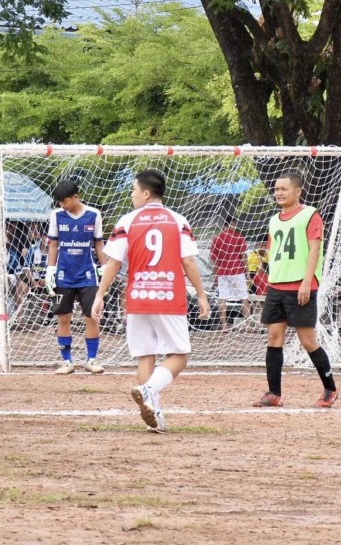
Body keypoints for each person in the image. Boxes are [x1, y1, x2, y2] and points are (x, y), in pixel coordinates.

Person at [93, 169, 210, 433]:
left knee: (145, 354)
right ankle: (149, 390)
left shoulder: (127, 221)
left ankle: (154, 415)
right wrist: (201, 295)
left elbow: (113, 263)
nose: (132, 195)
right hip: (168, 295)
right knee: (179, 356)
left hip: (137, 298)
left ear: (146, 193)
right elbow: (189, 261)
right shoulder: (178, 220)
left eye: (134, 190)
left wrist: (100, 294)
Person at [255, 169, 338, 408]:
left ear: (298, 191)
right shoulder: (273, 220)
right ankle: (274, 393)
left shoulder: (310, 214)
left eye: (284, 189)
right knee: (273, 337)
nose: (279, 193)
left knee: (308, 340)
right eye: (276, 189)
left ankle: (330, 389)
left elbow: (314, 250)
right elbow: (273, 251)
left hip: (301, 285)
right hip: (276, 286)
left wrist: (306, 281)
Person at [46, 178, 106, 375]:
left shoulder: (93, 215)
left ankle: (91, 359)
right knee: (63, 317)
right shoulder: (56, 216)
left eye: (65, 201)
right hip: (62, 276)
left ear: (75, 197)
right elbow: (53, 244)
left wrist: (104, 267)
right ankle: (66, 361)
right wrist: (50, 270)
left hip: (88, 275)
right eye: (60, 202)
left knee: (92, 316)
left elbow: (98, 244)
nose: (62, 205)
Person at [210, 214, 250, 330]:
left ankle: (223, 324)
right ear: (233, 223)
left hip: (223, 272)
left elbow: (215, 261)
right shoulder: (239, 237)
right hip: (237, 270)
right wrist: (247, 273)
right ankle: (248, 324)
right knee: (243, 297)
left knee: (222, 298)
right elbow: (243, 257)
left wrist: (215, 276)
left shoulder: (217, 239)